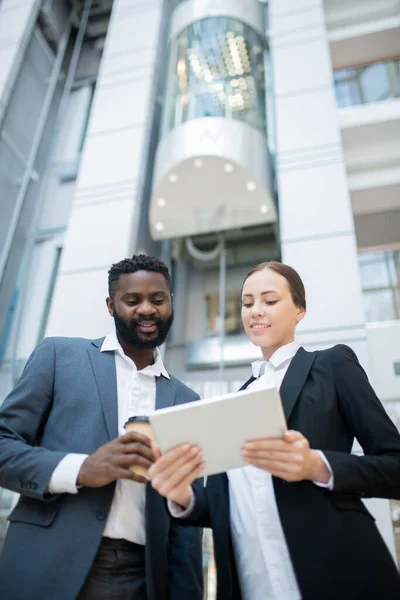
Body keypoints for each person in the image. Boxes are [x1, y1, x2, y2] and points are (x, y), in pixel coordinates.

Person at [149, 261, 400, 600]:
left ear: (299, 310)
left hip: (338, 573)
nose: (255, 311)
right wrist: (183, 496)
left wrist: (316, 465)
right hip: (254, 583)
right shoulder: (234, 404)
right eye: (247, 302)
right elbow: (229, 506)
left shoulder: (331, 365)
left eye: (270, 300)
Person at [0, 255, 203, 600]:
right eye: (132, 300)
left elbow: (185, 524)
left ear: (170, 302)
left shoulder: (187, 399)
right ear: (111, 306)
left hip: (144, 575)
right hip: (48, 560)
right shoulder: (59, 356)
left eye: (157, 299)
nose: (147, 310)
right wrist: (81, 469)